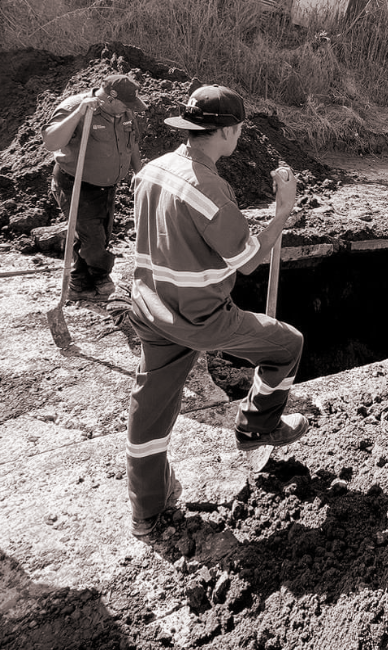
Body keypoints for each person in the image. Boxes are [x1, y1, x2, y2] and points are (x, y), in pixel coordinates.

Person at [120, 85, 308, 538]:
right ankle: (256, 426)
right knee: (287, 345)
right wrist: (283, 211)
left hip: (150, 306)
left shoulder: (151, 171)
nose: (240, 135)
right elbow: (249, 262)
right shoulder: (209, 189)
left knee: (151, 406)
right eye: (239, 128)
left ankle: (146, 511)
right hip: (200, 318)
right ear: (226, 131)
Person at [42, 74, 145, 301]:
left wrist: (140, 173)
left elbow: (132, 144)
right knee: (94, 241)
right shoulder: (75, 107)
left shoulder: (124, 112)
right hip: (77, 184)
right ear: (109, 98)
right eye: (125, 105)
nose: (129, 110)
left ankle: (79, 285)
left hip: (107, 187)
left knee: (97, 237)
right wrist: (79, 113)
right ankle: (101, 276)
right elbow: (50, 142)